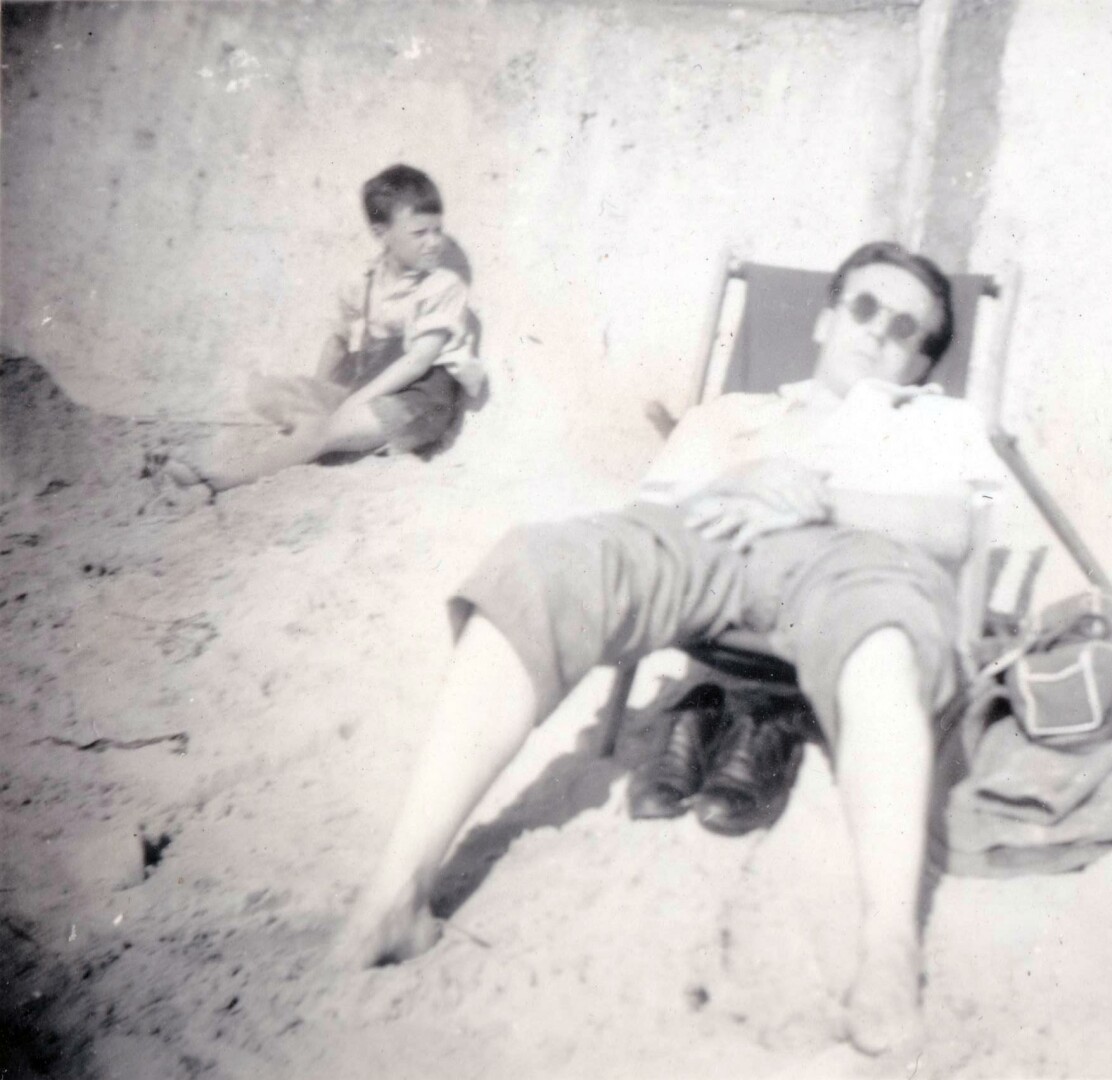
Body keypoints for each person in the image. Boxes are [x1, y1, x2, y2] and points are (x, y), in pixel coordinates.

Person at [334, 241, 1001, 1058]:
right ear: (828, 316)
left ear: (921, 357)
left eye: (905, 328)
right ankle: (394, 894)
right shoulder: (730, 413)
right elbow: (648, 512)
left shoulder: (939, 421)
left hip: (853, 561)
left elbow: (958, 528)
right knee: (536, 564)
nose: (876, 334)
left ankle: (887, 949)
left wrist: (820, 498)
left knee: (886, 645)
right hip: (709, 539)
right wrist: (738, 485)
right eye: (863, 308)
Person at [163, 164, 479, 496]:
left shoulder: (445, 286)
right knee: (266, 391)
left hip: (418, 405)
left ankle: (213, 480)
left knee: (321, 431)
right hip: (372, 389)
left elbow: (416, 362)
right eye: (420, 233)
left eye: (437, 230)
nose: (433, 243)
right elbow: (337, 340)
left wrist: (347, 407)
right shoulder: (364, 280)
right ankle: (324, 437)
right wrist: (320, 393)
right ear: (381, 233)